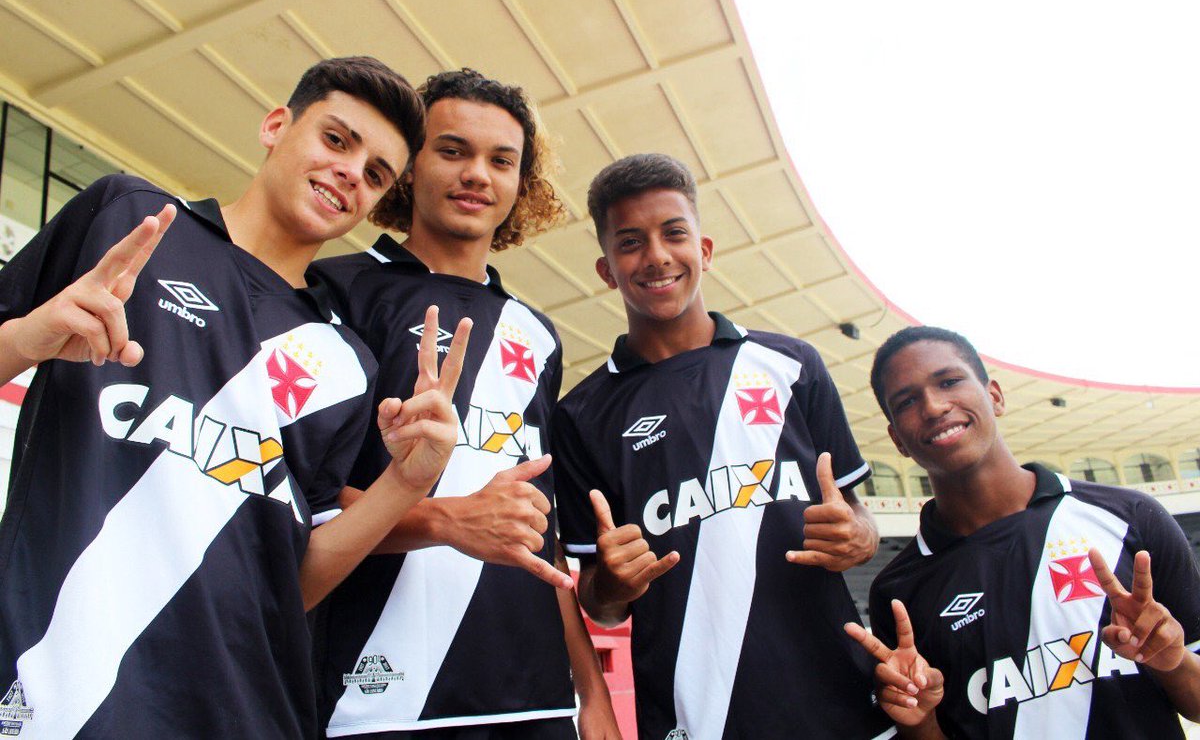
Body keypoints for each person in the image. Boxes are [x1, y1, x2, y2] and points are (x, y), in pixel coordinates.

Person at [0, 56, 470, 738]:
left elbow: (291, 584)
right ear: (276, 126)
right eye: (337, 140)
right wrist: (27, 338)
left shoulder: (346, 363)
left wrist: (406, 484)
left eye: (375, 174)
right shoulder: (131, 219)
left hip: (244, 713)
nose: (351, 173)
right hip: (55, 695)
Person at [309, 68, 618, 739]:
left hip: (534, 702)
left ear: (522, 184)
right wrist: (446, 519)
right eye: (452, 151)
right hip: (373, 702)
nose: (477, 174)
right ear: (409, 165)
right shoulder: (333, 290)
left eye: (501, 161)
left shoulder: (537, 334)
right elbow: (298, 501)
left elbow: (538, 533)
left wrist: (591, 693)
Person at [551, 152, 894, 739]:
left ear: (704, 250)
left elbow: (860, 523)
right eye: (631, 242)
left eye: (673, 233)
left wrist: (858, 536)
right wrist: (612, 584)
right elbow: (600, 603)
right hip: (696, 720)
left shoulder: (792, 366)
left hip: (840, 709)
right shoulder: (581, 415)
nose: (656, 256)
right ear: (607, 270)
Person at [850, 325, 1200, 738]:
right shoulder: (898, 591)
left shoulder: (1129, 517)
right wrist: (921, 722)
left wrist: (1171, 661)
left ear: (995, 396)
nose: (934, 406)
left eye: (949, 381)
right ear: (897, 440)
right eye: (907, 401)